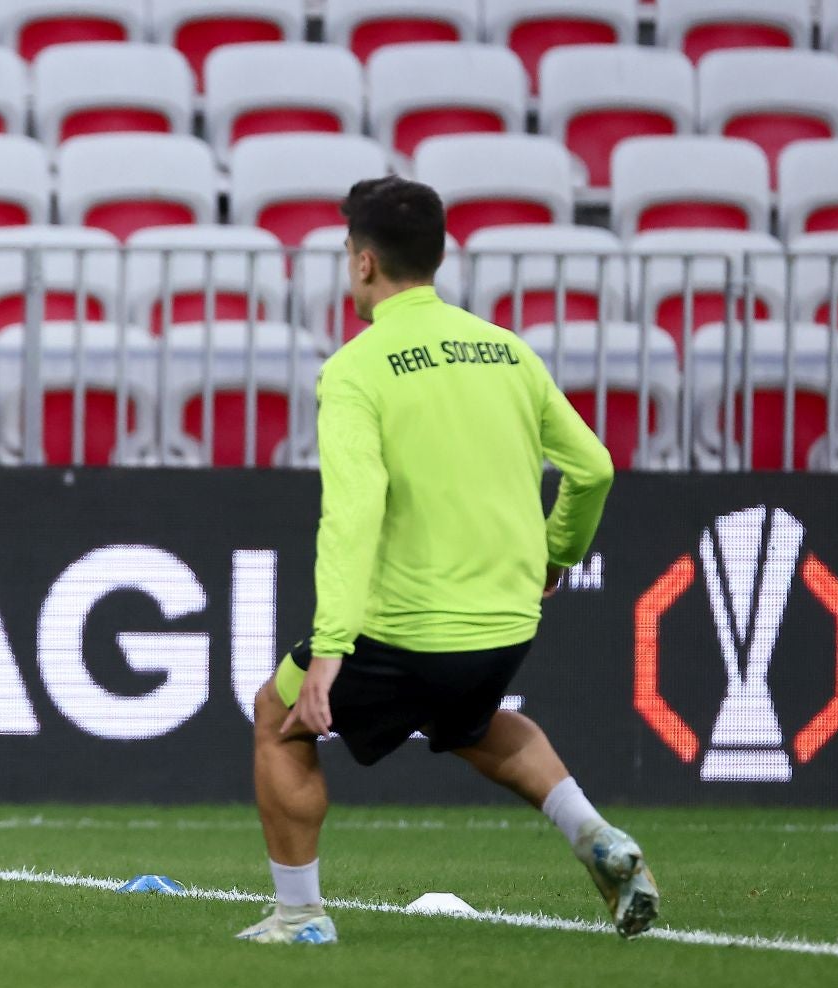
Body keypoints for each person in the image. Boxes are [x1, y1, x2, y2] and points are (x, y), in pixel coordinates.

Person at [240, 176, 657, 945]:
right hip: (504, 623)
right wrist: (557, 552)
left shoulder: (357, 369)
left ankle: (300, 916)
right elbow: (593, 466)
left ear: (364, 264)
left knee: (278, 717)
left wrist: (331, 645)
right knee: (473, 725)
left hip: (400, 629)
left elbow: (354, 512)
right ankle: (598, 836)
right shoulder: (507, 353)